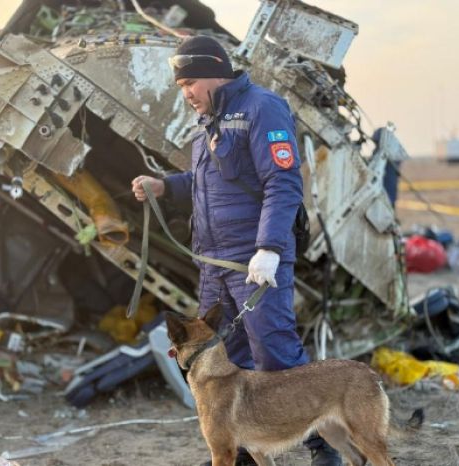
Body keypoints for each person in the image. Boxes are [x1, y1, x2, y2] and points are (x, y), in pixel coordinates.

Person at [131, 36, 342, 466]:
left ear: (215, 71)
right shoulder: (209, 122)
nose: (186, 93)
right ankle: (241, 450)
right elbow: (205, 185)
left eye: (189, 82)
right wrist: (165, 186)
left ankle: (325, 448)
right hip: (215, 265)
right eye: (180, 86)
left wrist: (268, 248)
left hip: (254, 262)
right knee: (226, 361)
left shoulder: (263, 108)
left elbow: (282, 182)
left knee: (275, 354)